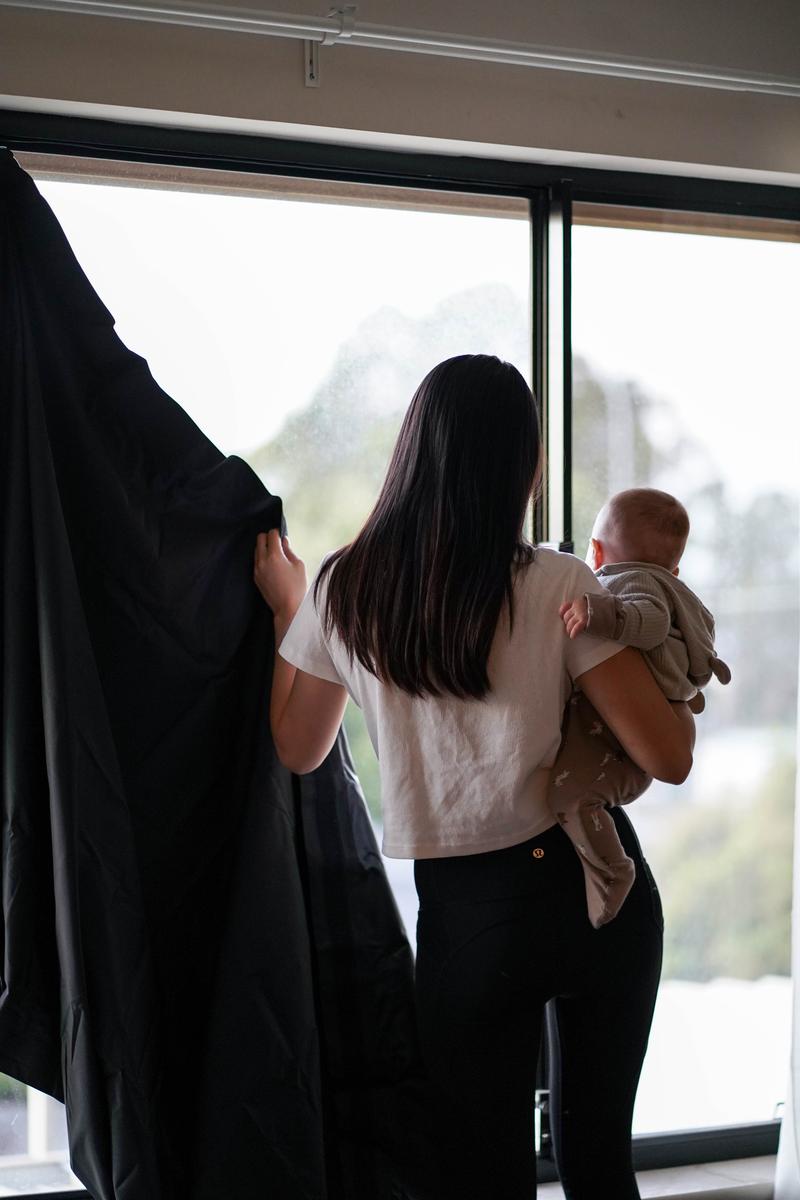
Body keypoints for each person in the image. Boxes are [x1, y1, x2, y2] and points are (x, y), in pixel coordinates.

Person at [253, 355, 694, 1200]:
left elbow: (297, 749)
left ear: (412, 453)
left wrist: (288, 611)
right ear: (524, 468)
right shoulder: (560, 582)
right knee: (599, 1165)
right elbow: (668, 758)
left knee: (482, 1181)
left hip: (469, 919)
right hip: (596, 885)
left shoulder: (343, 588)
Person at [550, 488, 731, 929]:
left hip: (637, 739)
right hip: (648, 723)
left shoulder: (632, 582)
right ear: (675, 567)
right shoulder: (657, 581)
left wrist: (599, 614)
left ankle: (613, 871)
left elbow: (650, 624)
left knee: (573, 798)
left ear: (595, 551)